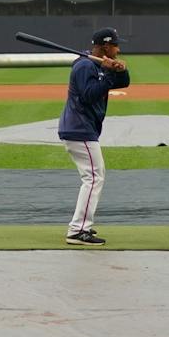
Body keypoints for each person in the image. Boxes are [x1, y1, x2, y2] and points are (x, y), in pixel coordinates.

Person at [57, 28, 130, 245]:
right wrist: (107, 73)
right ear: (105, 46)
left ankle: (80, 227)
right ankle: (78, 230)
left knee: (94, 177)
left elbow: (122, 83)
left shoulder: (95, 64)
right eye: (116, 45)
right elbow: (89, 95)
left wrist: (120, 70)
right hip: (79, 129)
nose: (119, 49)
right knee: (94, 177)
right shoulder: (84, 65)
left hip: (82, 129)